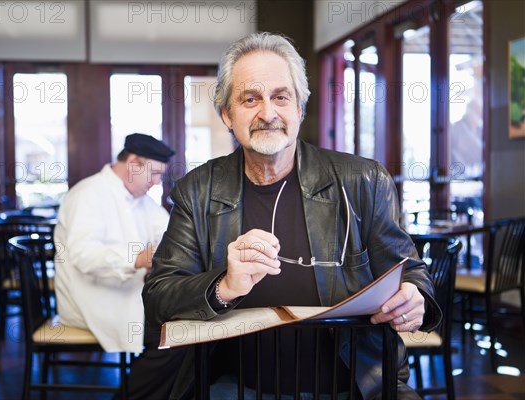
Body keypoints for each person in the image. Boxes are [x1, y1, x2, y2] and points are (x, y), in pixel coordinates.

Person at [143, 33, 442, 399]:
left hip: (354, 386)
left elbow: (408, 270)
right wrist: (223, 287)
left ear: (299, 108)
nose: (267, 113)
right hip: (234, 388)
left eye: (281, 97)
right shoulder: (197, 190)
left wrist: (414, 295)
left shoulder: (362, 180)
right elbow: (158, 298)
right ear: (226, 114)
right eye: (250, 99)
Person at [54, 133, 184, 399]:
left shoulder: (140, 200)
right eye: (154, 173)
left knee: (188, 330)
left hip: (124, 293)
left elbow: (170, 235)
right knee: (175, 338)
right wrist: (138, 258)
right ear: (133, 162)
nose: (157, 182)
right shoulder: (89, 194)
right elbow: (83, 255)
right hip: (91, 300)